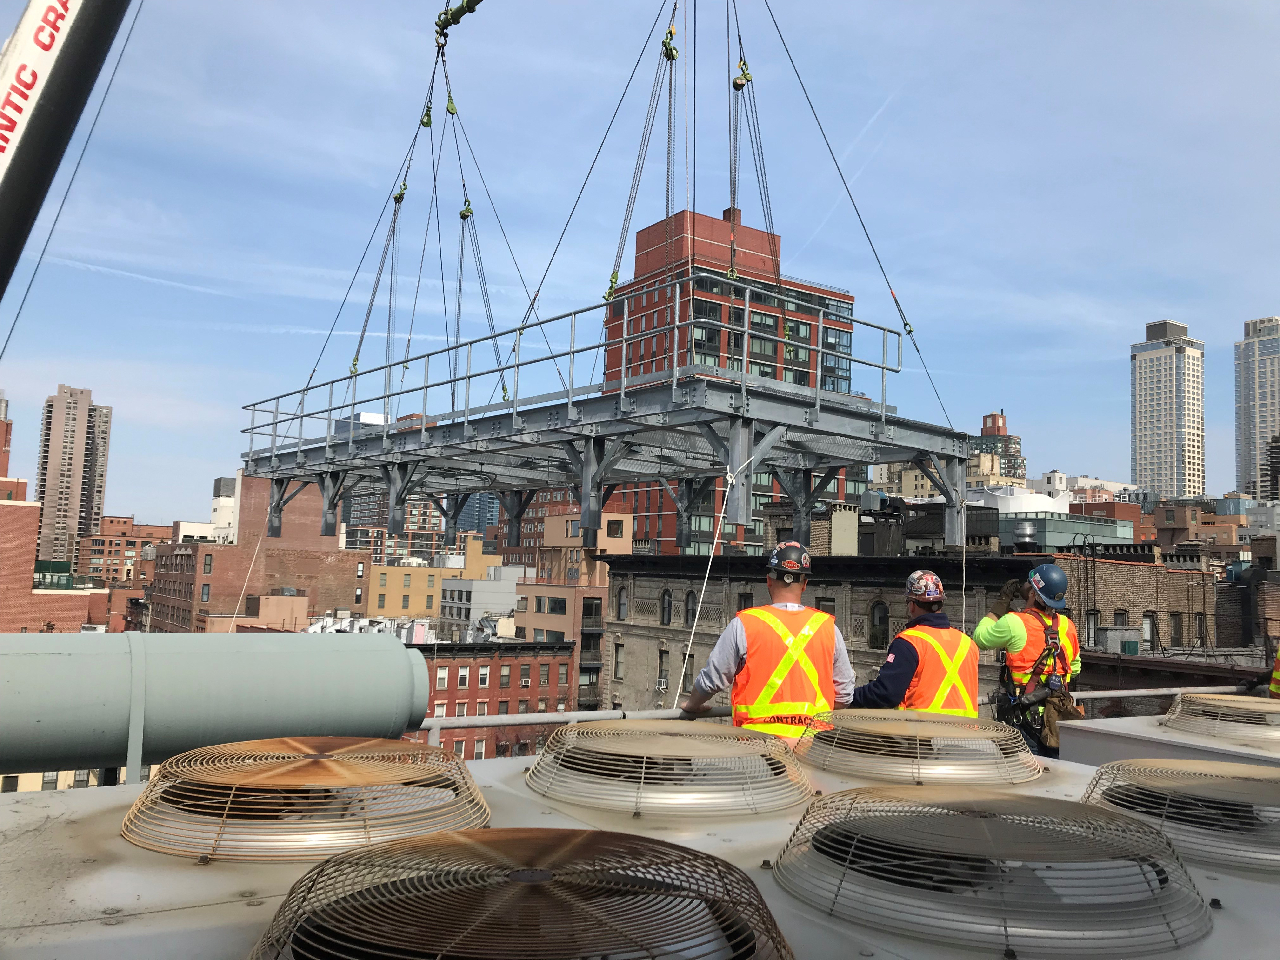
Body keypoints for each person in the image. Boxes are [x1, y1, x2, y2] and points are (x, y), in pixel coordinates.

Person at [678, 541, 856, 737]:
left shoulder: (744, 625)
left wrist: (693, 705)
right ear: (805, 584)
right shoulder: (828, 628)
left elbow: (711, 680)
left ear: (769, 580)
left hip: (759, 746)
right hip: (813, 747)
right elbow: (845, 695)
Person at [974, 563, 1082, 757]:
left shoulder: (1014, 622)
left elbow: (980, 638)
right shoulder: (1068, 626)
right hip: (1057, 719)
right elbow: (1074, 668)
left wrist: (1002, 601)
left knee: (1027, 775)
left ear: (1033, 592)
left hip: (1025, 719)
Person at [845, 570, 978, 717]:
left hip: (922, 734)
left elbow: (887, 693)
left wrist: (848, 698)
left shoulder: (909, 642)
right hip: (966, 734)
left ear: (912, 605)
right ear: (941, 603)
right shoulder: (968, 643)